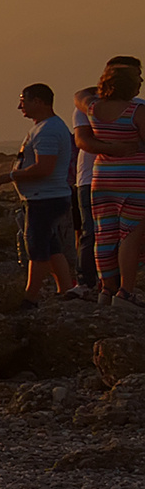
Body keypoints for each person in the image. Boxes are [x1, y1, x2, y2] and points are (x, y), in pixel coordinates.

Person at [74, 59, 145, 308]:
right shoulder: (137, 111)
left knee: (104, 235)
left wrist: (103, 85)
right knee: (130, 235)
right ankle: (125, 292)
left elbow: (79, 94)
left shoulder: (93, 108)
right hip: (135, 179)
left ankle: (106, 289)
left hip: (102, 177)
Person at [9, 84, 78, 302]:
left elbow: (44, 168)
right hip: (43, 197)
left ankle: (30, 296)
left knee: (37, 248)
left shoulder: (48, 129)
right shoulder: (44, 127)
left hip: (45, 198)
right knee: (51, 245)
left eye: (23, 100)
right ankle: (66, 289)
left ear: (38, 101)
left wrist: (11, 176)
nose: (20, 106)